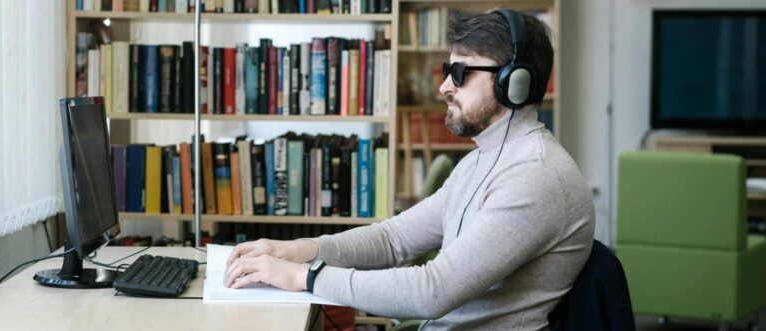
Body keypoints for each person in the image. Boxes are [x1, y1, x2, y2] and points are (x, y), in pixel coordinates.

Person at [224, 9, 594, 330]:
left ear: (514, 82)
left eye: (461, 72)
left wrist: (304, 276)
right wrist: (297, 250)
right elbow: (393, 239)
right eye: (449, 70)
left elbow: (432, 291)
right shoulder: (484, 158)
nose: (444, 86)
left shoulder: (535, 177)